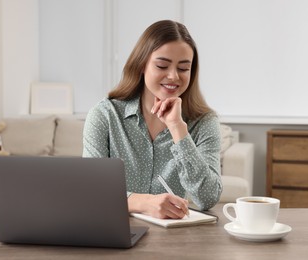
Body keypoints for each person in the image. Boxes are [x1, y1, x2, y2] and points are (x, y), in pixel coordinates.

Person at [83, 20, 222, 219]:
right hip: (114, 232)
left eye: (183, 68)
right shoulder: (105, 116)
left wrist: (177, 128)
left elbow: (207, 198)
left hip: (174, 240)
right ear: (142, 65)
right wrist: (143, 203)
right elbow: (91, 191)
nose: (173, 76)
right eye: (162, 65)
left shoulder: (204, 122)